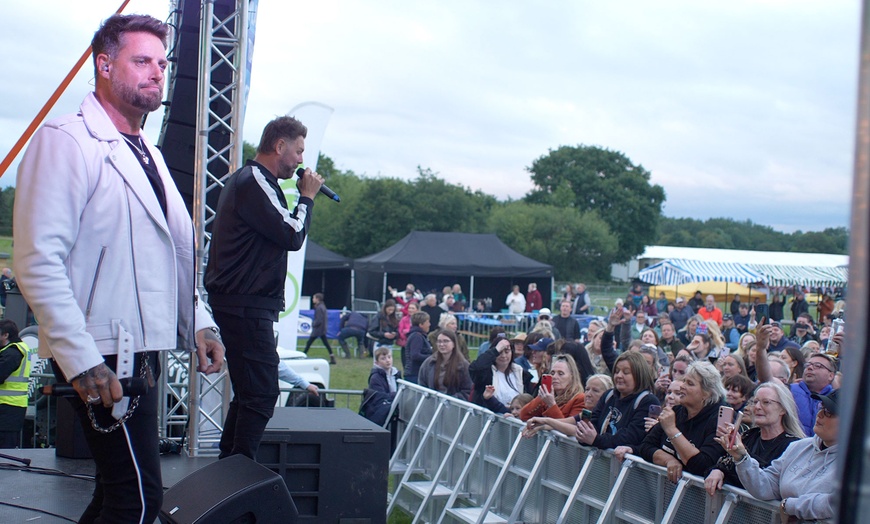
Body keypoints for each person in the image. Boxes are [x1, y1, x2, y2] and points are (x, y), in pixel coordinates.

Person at [13, 14, 225, 522]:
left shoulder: (146, 150)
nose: (158, 72)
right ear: (104, 66)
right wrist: (81, 358)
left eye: (162, 62)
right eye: (142, 61)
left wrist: (198, 321)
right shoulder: (66, 141)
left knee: (117, 494)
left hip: (139, 352)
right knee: (137, 500)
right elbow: (37, 260)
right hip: (104, 353)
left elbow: (168, 256)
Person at [205, 112, 323, 459]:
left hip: (245, 303)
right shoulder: (255, 179)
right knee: (261, 393)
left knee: (250, 393)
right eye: (299, 151)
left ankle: (230, 467)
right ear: (279, 145)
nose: (301, 160)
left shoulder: (256, 182)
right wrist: (307, 198)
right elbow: (292, 233)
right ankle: (237, 470)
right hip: (245, 303)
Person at [725, 389, 839, 522]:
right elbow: (766, 486)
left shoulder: (859, 463)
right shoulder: (799, 447)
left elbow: (840, 503)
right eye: (821, 407)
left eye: (829, 412)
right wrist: (741, 457)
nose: (820, 414)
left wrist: (789, 506)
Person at [704, 381, 804, 496]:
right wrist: (718, 471)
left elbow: (769, 481)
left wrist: (742, 455)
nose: (757, 407)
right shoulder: (749, 436)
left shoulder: (793, 445)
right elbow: (724, 463)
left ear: (783, 409)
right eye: (755, 402)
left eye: (766, 402)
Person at [638, 361, 728, 482]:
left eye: (690, 383)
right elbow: (645, 446)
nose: (682, 386)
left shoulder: (717, 420)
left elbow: (703, 465)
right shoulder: (677, 411)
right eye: (684, 381)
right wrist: (669, 460)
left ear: (707, 394)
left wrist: (672, 430)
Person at [755, 325, 835, 436]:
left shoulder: (836, 399)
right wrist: (761, 348)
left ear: (831, 375)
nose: (810, 368)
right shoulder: (790, 390)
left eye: (817, 366)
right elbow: (766, 379)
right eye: (808, 365)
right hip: (794, 449)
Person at [469, 336, 532, 413]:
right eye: (500, 352)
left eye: (507, 351)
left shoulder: (522, 374)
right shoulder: (486, 373)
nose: (503, 356)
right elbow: (475, 368)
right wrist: (495, 350)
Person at [519, 354, 585, 421]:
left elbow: (567, 428)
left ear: (572, 376)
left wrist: (551, 404)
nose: (554, 377)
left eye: (560, 373)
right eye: (552, 373)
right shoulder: (549, 397)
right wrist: (541, 397)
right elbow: (524, 415)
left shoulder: (580, 399)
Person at [0, 320, 31, 448]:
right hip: (10, 405)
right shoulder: (13, 349)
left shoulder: (13, 352)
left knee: (5, 448)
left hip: (9, 406)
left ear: (5, 335)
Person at [418, 330, 473, 400]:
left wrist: (449, 400)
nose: (441, 344)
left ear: (454, 344)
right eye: (439, 341)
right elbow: (422, 385)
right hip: (432, 405)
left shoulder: (463, 366)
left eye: (446, 341)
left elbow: (468, 391)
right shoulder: (429, 363)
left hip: (454, 407)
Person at [303, 293, 335, 364]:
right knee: (325, 343)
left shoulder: (319, 308)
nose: (313, 299)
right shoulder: (322, 306)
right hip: (322, 329)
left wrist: (314, 324)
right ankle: (332, 357)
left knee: (309, 343)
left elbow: (319, 319)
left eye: (314, 298)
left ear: (317, 299)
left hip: (318, 329)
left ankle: (303, 355)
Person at [403, 312, 432, 384]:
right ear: (421, 325)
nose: (429, 324)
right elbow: (415, 355)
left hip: (416, 373)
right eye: (427, 322)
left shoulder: (419, 335)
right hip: (414, 374)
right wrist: (431, 357)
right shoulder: (417, 336)